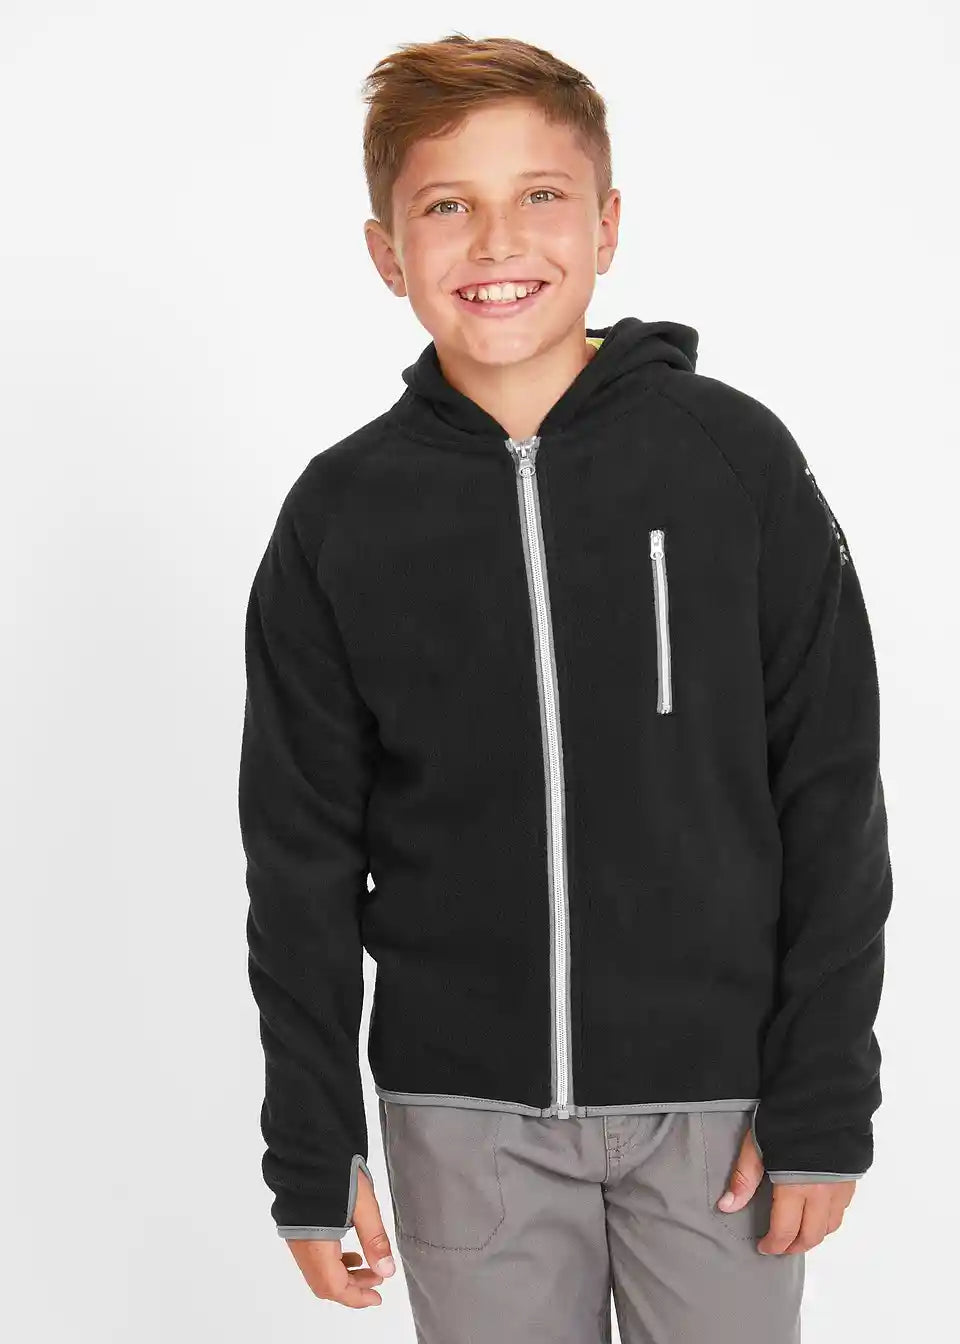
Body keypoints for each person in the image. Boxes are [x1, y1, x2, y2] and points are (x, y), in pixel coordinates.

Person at [237, 32, 893, 1343]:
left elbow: (830, 788)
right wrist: (312, 1140)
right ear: (385, 253)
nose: (497, 242)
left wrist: (824, 1092)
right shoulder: (341, 515)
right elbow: (298, 855)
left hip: (718, 1107)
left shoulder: (733, 461)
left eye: (540, 196)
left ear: (606, 224)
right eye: (446, 207)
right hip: (460, 1115)